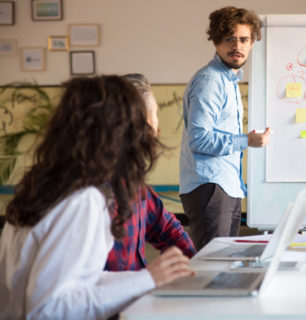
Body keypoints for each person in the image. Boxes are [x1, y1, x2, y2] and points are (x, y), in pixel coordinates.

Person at [0, 76, 195, 319]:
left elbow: (84, 278)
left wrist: (149, 278)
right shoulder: (84, 200)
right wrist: (148, 278)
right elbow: (47, 310)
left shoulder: (44, 184)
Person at [179, 6, 272, 251]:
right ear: (216, 40)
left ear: (252, 42)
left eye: (244, 39)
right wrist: (247, 141)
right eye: (230, 39)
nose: (238, 46)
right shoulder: (211, 81)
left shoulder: (228, 79)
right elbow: (199, 139)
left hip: (224, 185)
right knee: (214, 266)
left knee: (224, 264)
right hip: (210, 186)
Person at [104, 73, 196, 271]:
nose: (158, 129)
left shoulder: (134, 183)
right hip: (118, 298)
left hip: (137, 293)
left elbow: (167, 229)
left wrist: (196, 266)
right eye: (155, 114)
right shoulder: (100, 191)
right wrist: (148, 280)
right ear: (136, 123)